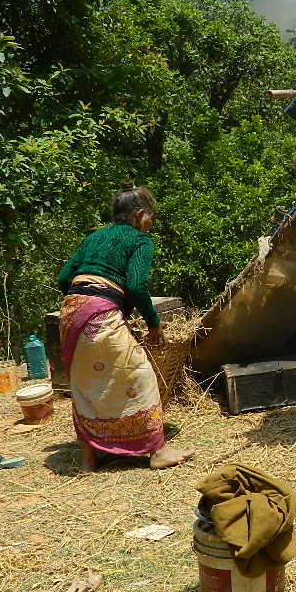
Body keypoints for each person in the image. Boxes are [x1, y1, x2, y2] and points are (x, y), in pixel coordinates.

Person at [57, 182, 194, 472]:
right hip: (99, 315)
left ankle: (89, 457)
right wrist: (153, 323)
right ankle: (157, 451)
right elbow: (136, 285)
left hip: (70, 314)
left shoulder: (94, 238)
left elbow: (63, 278)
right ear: (139, 214)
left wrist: (85, 298)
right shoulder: (139, 240)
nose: (151, 224)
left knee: (86, 383)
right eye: (151, 217)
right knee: (140, 374)